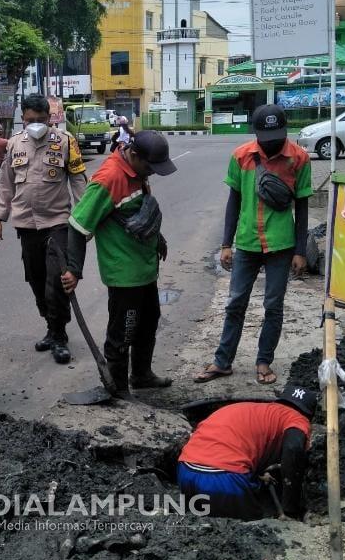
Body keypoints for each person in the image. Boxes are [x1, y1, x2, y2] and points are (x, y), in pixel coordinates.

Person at [194, 104, 313, 386]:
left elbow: (303, 206)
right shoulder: (241, 156)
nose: (271, 142)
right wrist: (226, 243)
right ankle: (223, 362)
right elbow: (233, 201)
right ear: (256, 132)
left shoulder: (299, 158)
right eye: (265, 135)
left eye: (277, 135)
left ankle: (263, 361)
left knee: (273, 305)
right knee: (235, 303)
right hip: (247, 242)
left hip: (281, 245)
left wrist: (300, 251)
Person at [61, 131, 175, 395]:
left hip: (145, 268)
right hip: (124, 274)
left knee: (149, 323)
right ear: (134, 155)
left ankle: (142, 375)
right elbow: (77, 225)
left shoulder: (137, 172)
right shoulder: (109, 179)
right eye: (149, 167)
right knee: (123, 332)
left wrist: (158, 239)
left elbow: (139, 213)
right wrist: (74, 270)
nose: (152, 173)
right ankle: (118, 389)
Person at [0, 94, 87, 365]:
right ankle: (51, 326)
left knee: (56, 281)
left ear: (50, 118)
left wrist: (85, 219)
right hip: (26, 225)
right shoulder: (13, 144)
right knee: (35, 280)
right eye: (30, 120)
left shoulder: (66, 142)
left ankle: (59, 335)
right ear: (23, 118)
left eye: (40, 120)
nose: (35, 125)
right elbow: (6, 184)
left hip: (57, 222)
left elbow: (79, 181)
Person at [177, 384, 317, 520]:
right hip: (223, 479)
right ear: (308, 414)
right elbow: (293, 449)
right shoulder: (297, 418)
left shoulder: (250, 409)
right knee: (250, 528)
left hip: (186, 471)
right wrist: (290, 507)